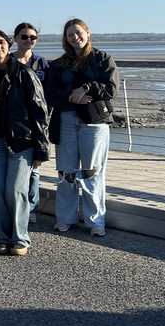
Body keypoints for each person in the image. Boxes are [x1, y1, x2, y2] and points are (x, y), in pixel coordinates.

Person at [44, 18, 119, 237]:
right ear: (65, 39)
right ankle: (65, 219)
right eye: (70, 35)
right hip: (66, 120)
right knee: (66, 172)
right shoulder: (58, 65)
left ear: (87, 32)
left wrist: (87, 88)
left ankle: (96, 220)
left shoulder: (102, 59)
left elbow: (111, 89)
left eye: (78, 33)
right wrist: (72, 97)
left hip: (94, 123)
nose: (75, 37)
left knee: (92, 171)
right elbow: (50, 95)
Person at [0, 30, 50, 255]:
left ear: (8, 45)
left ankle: (20, 238)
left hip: (22, 141)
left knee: (16, 189)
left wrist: (42, 148)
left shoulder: (24, 74)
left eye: (1, 42)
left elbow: (40, 112)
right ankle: (2, 235)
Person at [12, 22, 50, 221]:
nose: (28, 40)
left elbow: (48, 93)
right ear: (16, 38)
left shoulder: (41, 63)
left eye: (32, 37)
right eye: (24, 36)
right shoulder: (8, 61)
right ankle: (14, 206)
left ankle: (31, 208)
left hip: (36, 122)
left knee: (35, 167)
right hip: (14, 123)